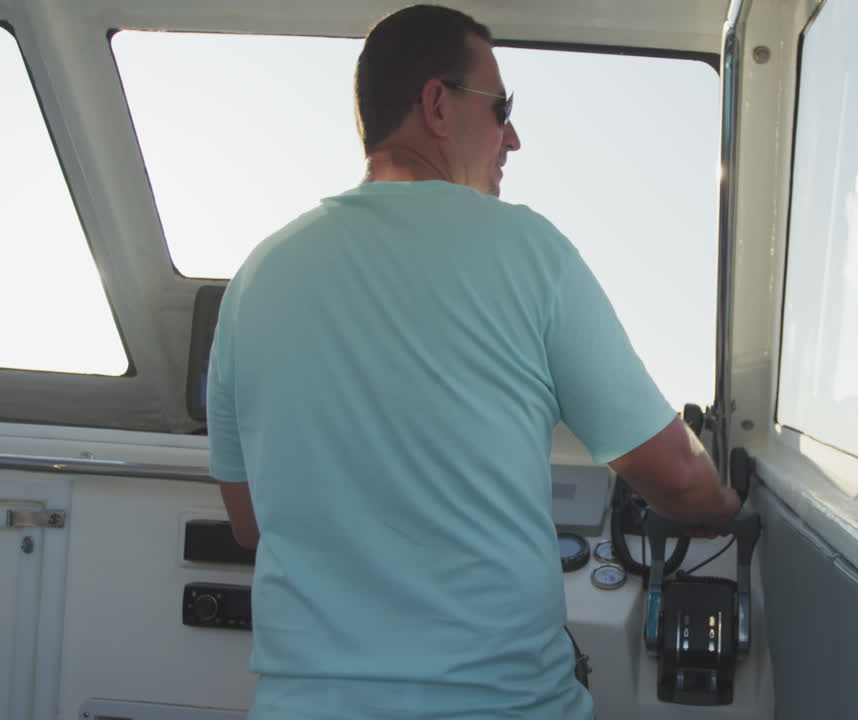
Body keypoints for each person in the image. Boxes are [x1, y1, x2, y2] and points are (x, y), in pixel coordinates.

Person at [206, 5, 741, 719]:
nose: (512, 137)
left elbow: (249, 523)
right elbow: (673, 472)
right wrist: (719, 507)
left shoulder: (257, 276)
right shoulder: (529, 251)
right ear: (436, 105)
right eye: (501, 110)